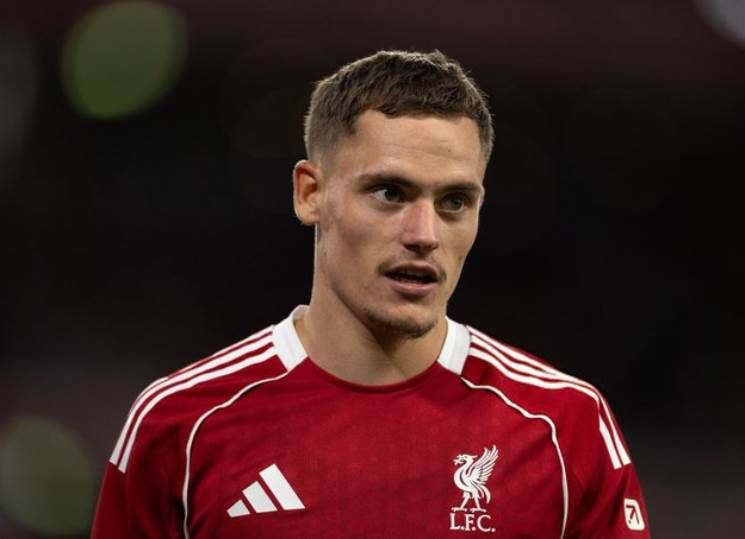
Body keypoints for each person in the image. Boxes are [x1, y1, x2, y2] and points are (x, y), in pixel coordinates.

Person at [92, 49, 650, 538]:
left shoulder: (564, 426)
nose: (424, 234)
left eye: (454, 202)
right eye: (389, 192)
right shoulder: (182, 424)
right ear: (310, 193)